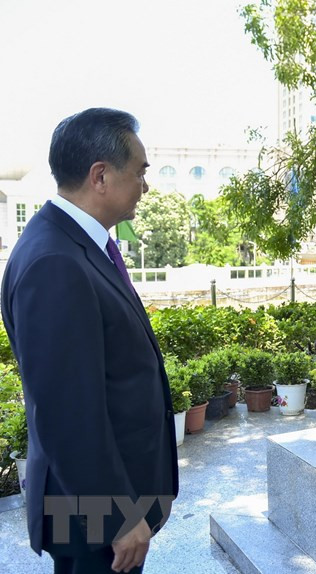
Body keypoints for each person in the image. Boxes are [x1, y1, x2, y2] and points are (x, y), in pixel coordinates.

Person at [1, 108, 178, 573]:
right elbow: (65, 410)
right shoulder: (55, 262)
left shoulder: (76, 245)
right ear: (100, 176)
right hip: (94, 515)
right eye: (139, 172)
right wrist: (118, 517)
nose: (145, 186)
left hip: (104, 501)